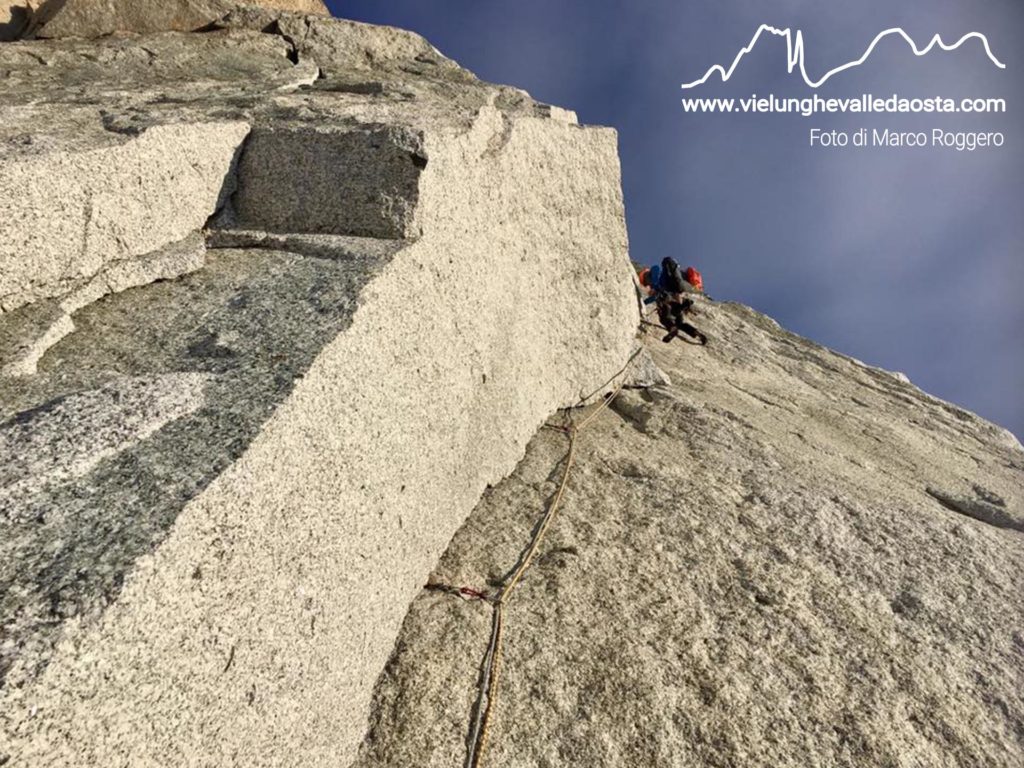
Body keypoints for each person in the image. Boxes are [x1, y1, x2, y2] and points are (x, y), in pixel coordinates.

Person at [638, 258, 708, 345]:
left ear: (645, 275)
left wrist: (643, 302)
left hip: (666, 300)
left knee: (664, 318)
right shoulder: (666, 281)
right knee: (680, 323)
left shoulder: (655, 274)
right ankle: (698, 334)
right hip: (674, 302)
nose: (647, 285)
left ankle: (673, 328)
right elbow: (657, 296)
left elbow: (655, 293)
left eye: (645, 282)